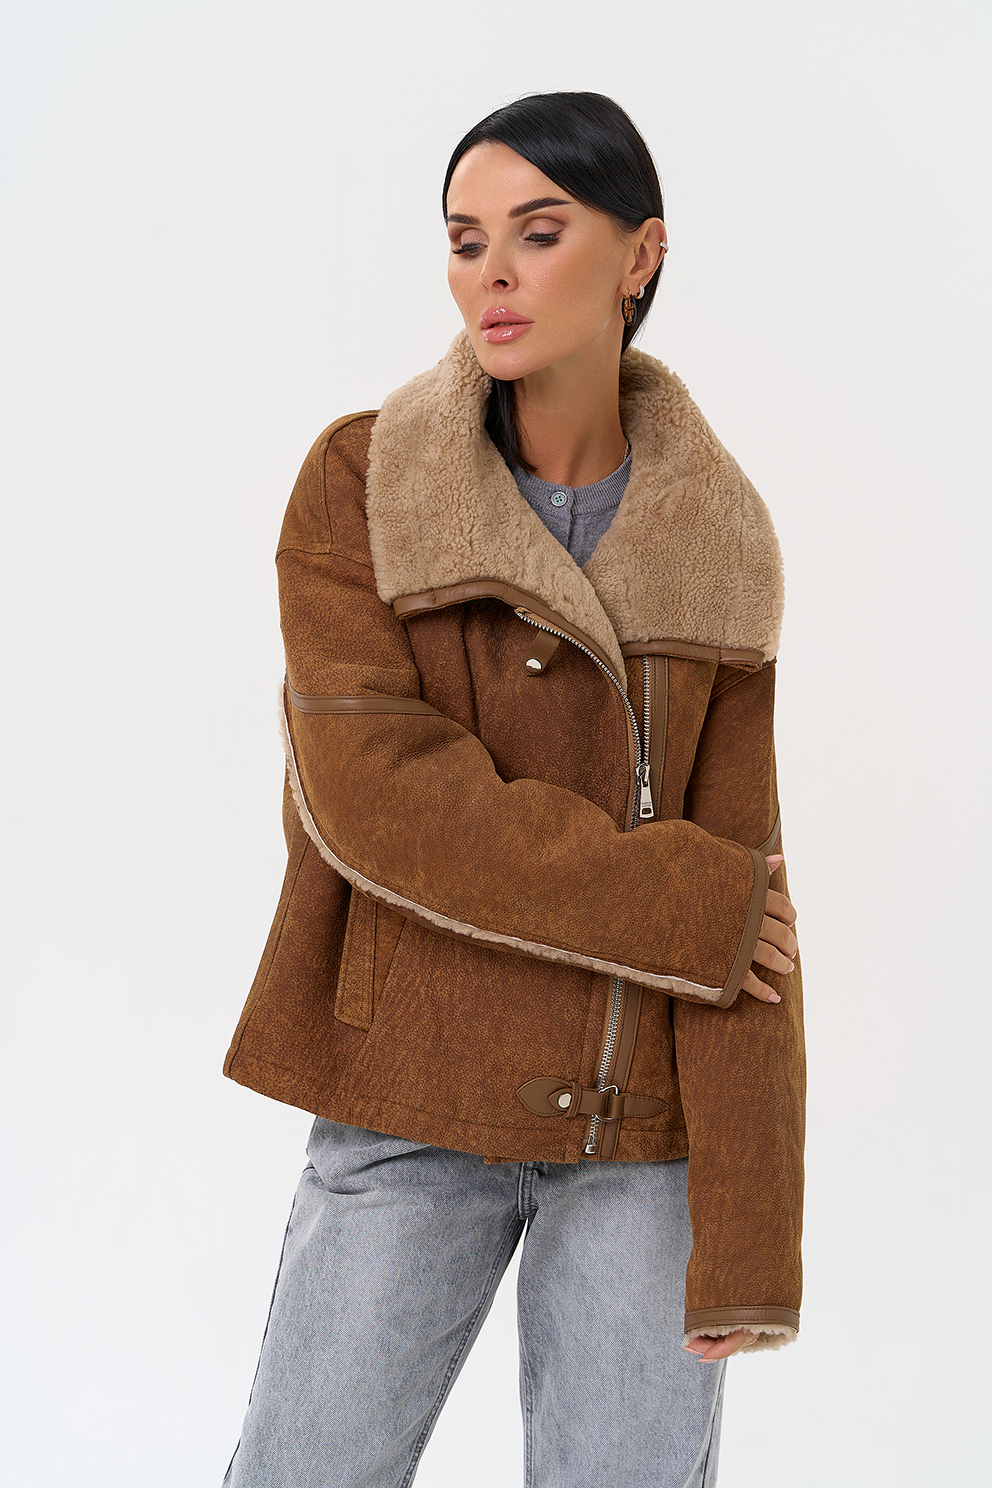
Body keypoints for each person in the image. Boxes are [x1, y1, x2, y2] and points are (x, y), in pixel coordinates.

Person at [221, 91, 805, 1488]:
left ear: (639, 255)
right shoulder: (365, 481)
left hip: (639, 1132)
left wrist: (750, 1233)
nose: (492, 271)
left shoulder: (721, 538)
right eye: (465, 238)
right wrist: (679, 903)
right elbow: (382, 800)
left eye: (539, 233)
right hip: (408, 1098)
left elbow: (756, 915)